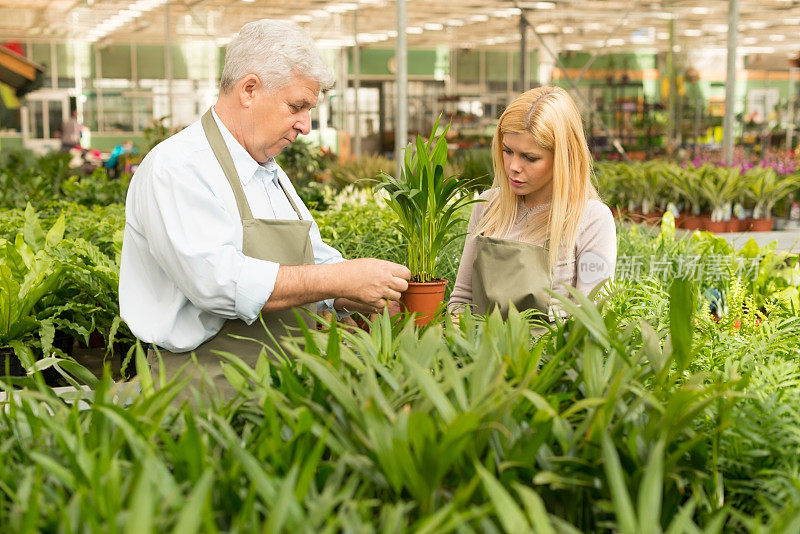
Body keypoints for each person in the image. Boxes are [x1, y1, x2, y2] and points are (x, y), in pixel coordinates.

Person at [119, 19, 410, 396]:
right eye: (297, 106)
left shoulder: (267, 171)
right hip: (201, 389)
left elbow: (314, 265)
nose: (306, 125)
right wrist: (342, 279)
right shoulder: (178, 166)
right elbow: (217, 283)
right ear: (250, 89)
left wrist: (367, 294)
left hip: (275, 384)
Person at [448, 86, 616, 319]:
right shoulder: (488, 206)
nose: (514, 166)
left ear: (564, 157)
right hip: (478, 351)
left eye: (530, 157)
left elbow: (591, 316)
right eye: (507, 151)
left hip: (551, 354)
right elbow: (462, 299)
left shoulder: (591, 218)